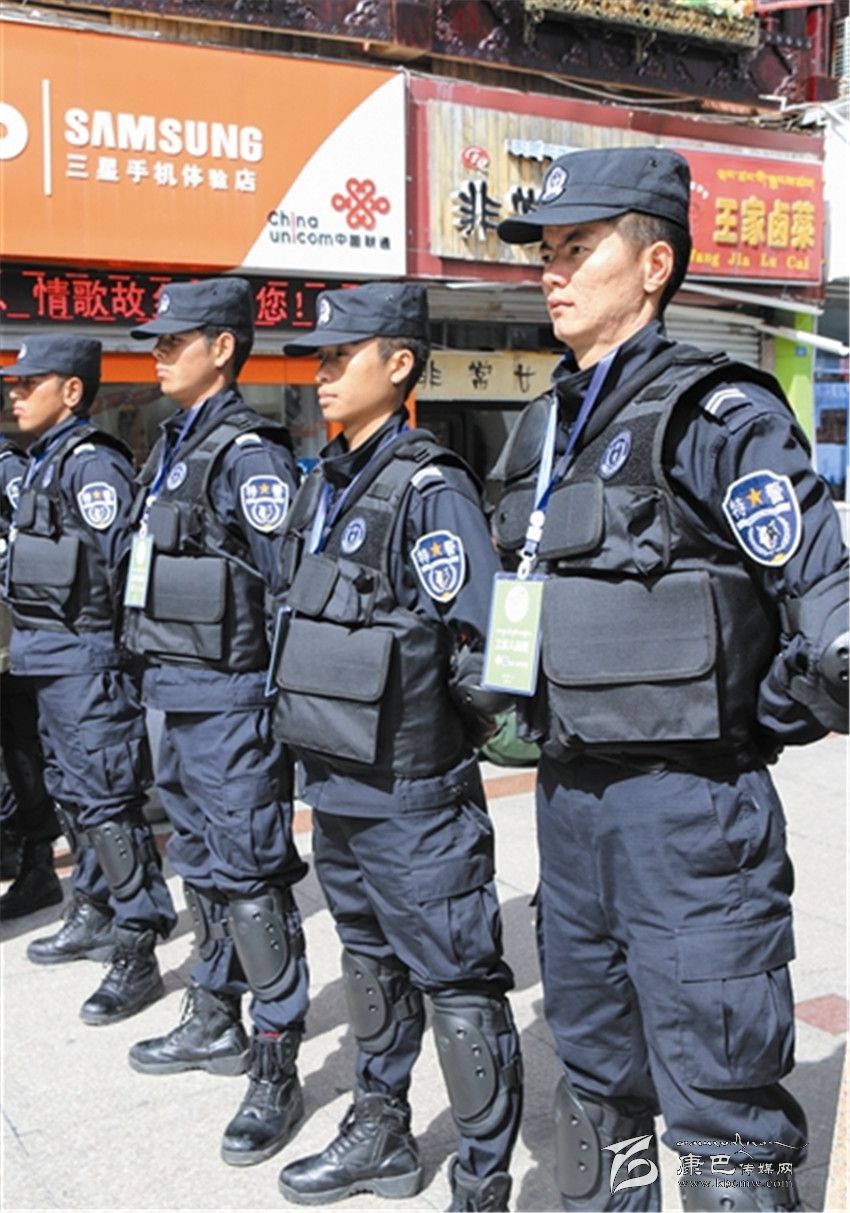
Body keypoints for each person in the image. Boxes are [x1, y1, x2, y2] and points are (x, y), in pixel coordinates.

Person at [490, 146, 849, 1212]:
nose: (553, 271)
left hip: (688, 815)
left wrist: (751, 714)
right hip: (569, 805)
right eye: (545, 252)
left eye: (578, 248)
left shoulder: (715, 413)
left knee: (723, 1104)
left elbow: (827, 613)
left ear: (654, 266)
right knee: (596, 1087)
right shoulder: (545, 429)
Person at [271, 282, 522, 1213]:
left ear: (401, 362)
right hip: (338, 784)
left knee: (457, 985)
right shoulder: (326, 482)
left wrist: (457, 742)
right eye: (321, 358)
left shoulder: (429, 488)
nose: (325, 373)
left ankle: (482, 1182)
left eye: (344, 355)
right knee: (370, 967)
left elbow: (488, 642)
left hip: (414, 797)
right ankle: (381, 1130)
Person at [121, 277, 310, 1168]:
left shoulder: (249, 454)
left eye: (173, 342)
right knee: (200, 864)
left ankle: (275, 1061)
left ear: (223, 347)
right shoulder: (174, 443)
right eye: (155, 343)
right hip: (176, 690)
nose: (158, 355)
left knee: (251, 877)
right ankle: (213, 1012)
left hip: (232, 703)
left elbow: (286, 587)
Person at [0, 335, 176, 1020]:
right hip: (49, 660)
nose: (15, 392)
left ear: (71, 391)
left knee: (107, 803)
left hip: (88, 663)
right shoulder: (44, 460)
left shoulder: (91, 464)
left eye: (30, 382)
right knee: (74, 795)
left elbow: (123, 570)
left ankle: (138, 940)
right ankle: (95, 907)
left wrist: (123, 659)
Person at [0, 431, 63, 918]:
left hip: (7, 640)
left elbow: (31, 541)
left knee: (22, 749)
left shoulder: (7, 467)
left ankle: (39, 863)